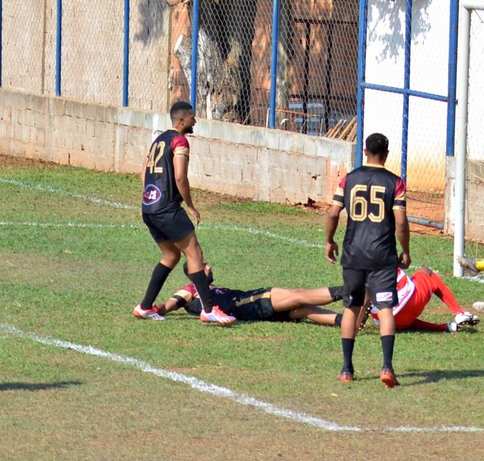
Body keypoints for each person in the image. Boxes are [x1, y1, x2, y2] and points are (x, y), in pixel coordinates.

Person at [133, 101, 235, 326]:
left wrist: (152, 196)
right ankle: (209, 310)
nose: (195, 121)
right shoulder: (180, 141)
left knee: (171, 256)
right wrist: (189, 205)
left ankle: (145, 306)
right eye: (192, 117)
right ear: (181, 121)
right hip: (167, 209)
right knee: (194, 252)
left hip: (149, 208)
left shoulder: (157, 141)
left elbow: (143, 174)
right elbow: (180, 177)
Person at [325, 132, 411, 388]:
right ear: (386, 154)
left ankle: (346, 369)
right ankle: (386, 366)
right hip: (382, 255)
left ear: (365, 151)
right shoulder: (395, 182)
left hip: (353, 253)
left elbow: (332, 213)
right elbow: (401, 222)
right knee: (385, 308)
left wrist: (329, 241)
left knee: (351, 307)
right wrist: (405, 251)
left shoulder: (349, 179)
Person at [155, 261, 345, 326]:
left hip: (248, 309)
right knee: (298, 295)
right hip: (247, 302)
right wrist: (154, 308)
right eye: (204, 266)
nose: (209, 267)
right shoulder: (189, 291)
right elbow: (166, 307)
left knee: (302, 309)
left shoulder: (208, 290)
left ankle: (346, 322)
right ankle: (349, 290)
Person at [364, 266, 479, 332]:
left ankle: (447, 327)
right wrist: (405, 253)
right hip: (409, 300)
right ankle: (459, 312)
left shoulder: (355, 255)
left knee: (404, 320)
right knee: (425, 272)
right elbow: (401, 226)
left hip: (387, 322)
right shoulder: (382, 241)